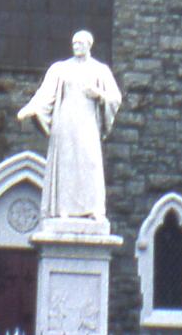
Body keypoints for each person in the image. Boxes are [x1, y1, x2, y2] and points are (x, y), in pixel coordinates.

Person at [17, 30, 122, 222]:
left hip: (87, 121)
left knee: (89, 163)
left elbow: (115, 98)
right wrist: (31, 109)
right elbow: (45, 94)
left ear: (89, 45)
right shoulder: (61, 69)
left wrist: (98, 94)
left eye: (80, 43)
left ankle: (93, 209)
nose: (76, 46)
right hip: (65, 121)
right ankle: (63, 208)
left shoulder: (100, 70)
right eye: (74, 43)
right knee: (65, 163)